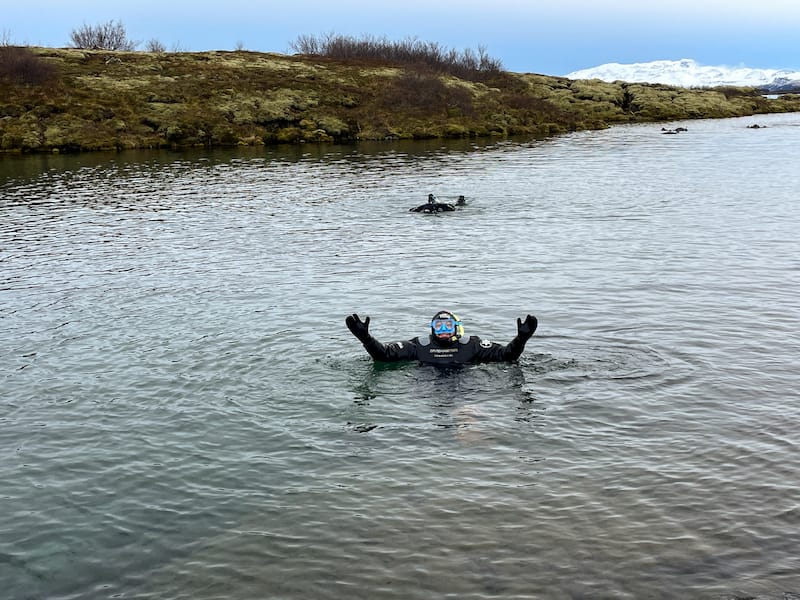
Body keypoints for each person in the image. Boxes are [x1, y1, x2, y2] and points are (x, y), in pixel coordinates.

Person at [346, 310, 537, 365]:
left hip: (466, 388)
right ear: (432, 329)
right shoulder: (418, 346)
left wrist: (521, 339)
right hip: (428, 389)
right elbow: (384, 355)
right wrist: (365, 338)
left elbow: (506, 356)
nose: (443, 329)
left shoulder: (472, 345)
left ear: (457, 328)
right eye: (438, 326)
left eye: (448, 325)